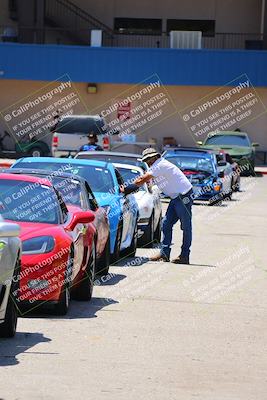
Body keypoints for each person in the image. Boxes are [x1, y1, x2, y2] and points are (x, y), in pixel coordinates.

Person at [134, 148, 193, 264]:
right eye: (145, 160)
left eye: (148, 160)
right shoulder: (157, 167)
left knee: (186, 227)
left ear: (155, 157)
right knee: (166, 223)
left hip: (183, 196)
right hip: (176, 197)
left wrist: (127, 188)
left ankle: (185, 255)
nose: (147, 162)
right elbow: (150, 183)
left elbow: (141, 180)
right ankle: (165, 253)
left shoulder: (160, 165)